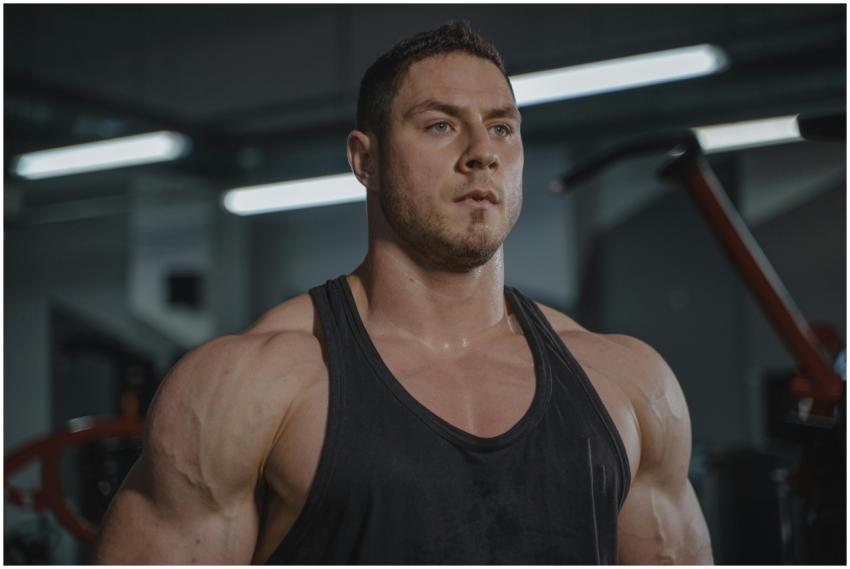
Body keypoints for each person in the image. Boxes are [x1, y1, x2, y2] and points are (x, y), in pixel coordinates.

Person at [93, 21, 713, 564]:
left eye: (501, 128)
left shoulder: (629, 384)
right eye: (441, 124)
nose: (481, 154)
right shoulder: (249, 386)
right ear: (365, 160)